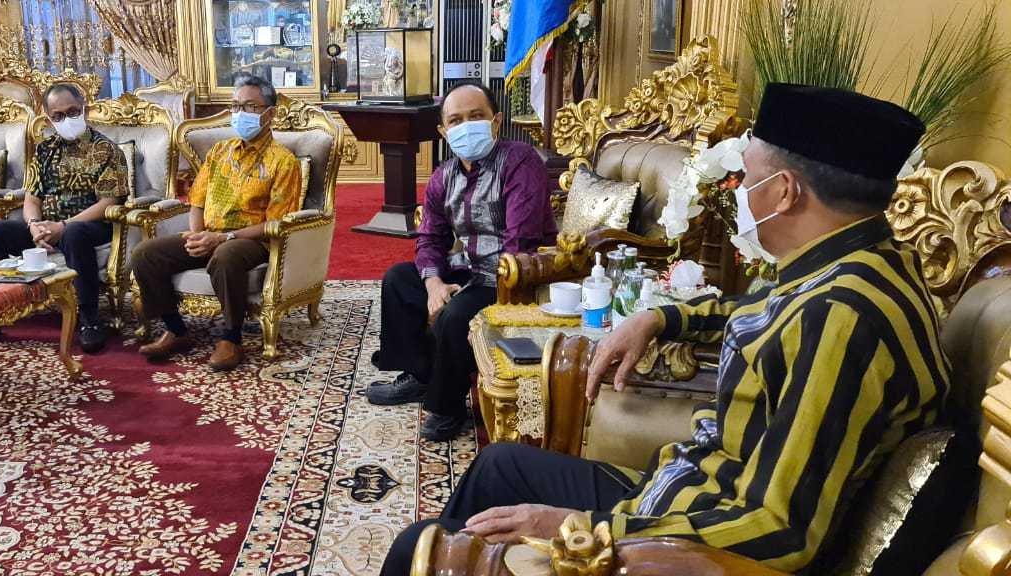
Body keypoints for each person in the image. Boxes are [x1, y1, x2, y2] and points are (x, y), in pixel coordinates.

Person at [378, 84, 950, 575]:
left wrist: (582, 528)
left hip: (687, 542)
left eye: (746, 178)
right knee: (499, 464)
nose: (738, 192)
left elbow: (780, 530)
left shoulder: (841, 320)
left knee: (420, 548)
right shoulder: (848, 265)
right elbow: (759, 311)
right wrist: (660, 316)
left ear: (784, 191)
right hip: (683, 489)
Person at [366, 81, 556, 442]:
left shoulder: (520, 161)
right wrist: (434, 284)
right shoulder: (444, 176)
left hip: (513, 277)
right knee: (398, 281)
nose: (466, 126)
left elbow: (521, 243)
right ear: (443, 131)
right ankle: (421, 375)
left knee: (456, 314)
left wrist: (459, 293)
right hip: (468, 269)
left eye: (476, 116)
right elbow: (430, 238)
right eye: (455, 120)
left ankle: (447, 405)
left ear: (496, 121)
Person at [130, 75, 300, 371]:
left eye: (250, 106)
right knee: (145, 254)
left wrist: (222, 238)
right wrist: (198, 236)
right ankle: (176, 329)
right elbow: (197, 201)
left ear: (270, 114)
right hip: (209, 235)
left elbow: (276, 224)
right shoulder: (220, 152)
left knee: (225, 255)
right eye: (235, 106)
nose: (240, 113)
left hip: (251, 240)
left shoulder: (283, 161)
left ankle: (231, 337)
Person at [0, 83, 127, 354]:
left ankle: (89, 319)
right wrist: (34, 226)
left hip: (90, 225)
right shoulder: (44, 150)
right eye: (58, 116)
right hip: (46, 226)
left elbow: (108, 203)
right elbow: (32, 199)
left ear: (85, 109)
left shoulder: (108, 150)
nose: (66, 119)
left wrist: (63, 226)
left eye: (72, 112)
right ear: (49, 118)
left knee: (75, 234)